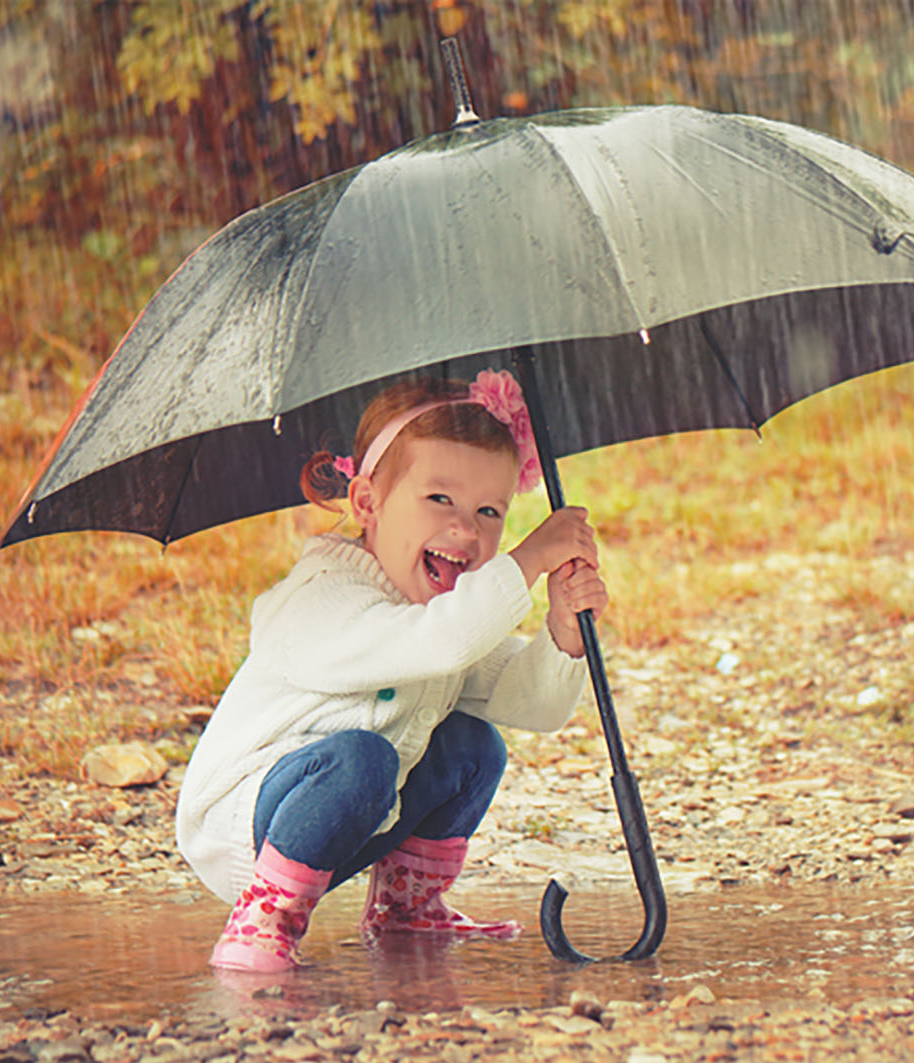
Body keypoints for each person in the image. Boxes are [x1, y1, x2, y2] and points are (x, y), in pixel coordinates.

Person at [176, 369, 606, 972]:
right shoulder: (322, 598)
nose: (467, 529)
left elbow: (531, 703)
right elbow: (442, 643)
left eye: (490, 510)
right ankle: (263, 918)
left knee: (472, 744)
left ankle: (406, 907)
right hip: (249, 829)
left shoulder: (435, 616)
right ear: (367, 502)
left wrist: (563, 628)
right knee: (363, 758)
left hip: (350, 820)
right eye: (440, 499)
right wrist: (528, 559)